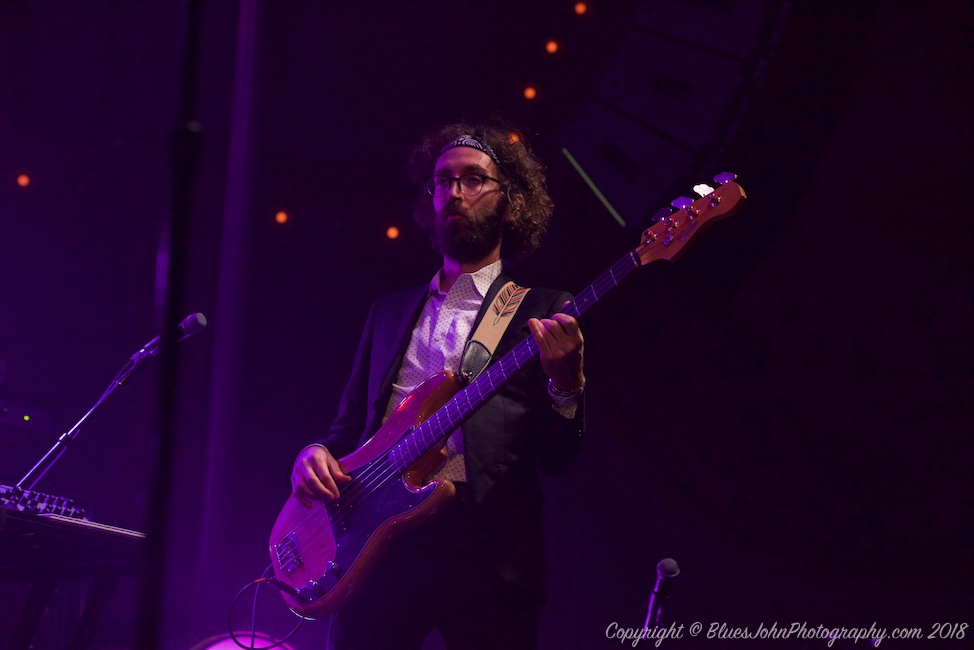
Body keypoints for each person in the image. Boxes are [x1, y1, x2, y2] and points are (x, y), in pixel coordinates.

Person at [290, 121, 585, 649]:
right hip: (377, 541)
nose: (454, 192)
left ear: (511, 202)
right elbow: (347, 431)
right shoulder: (387, 312)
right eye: (443, 181)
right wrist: (314, 453)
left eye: (473, 180)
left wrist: (566, 385)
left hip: (487, 547)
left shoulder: (540, 311)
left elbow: (556, 458)